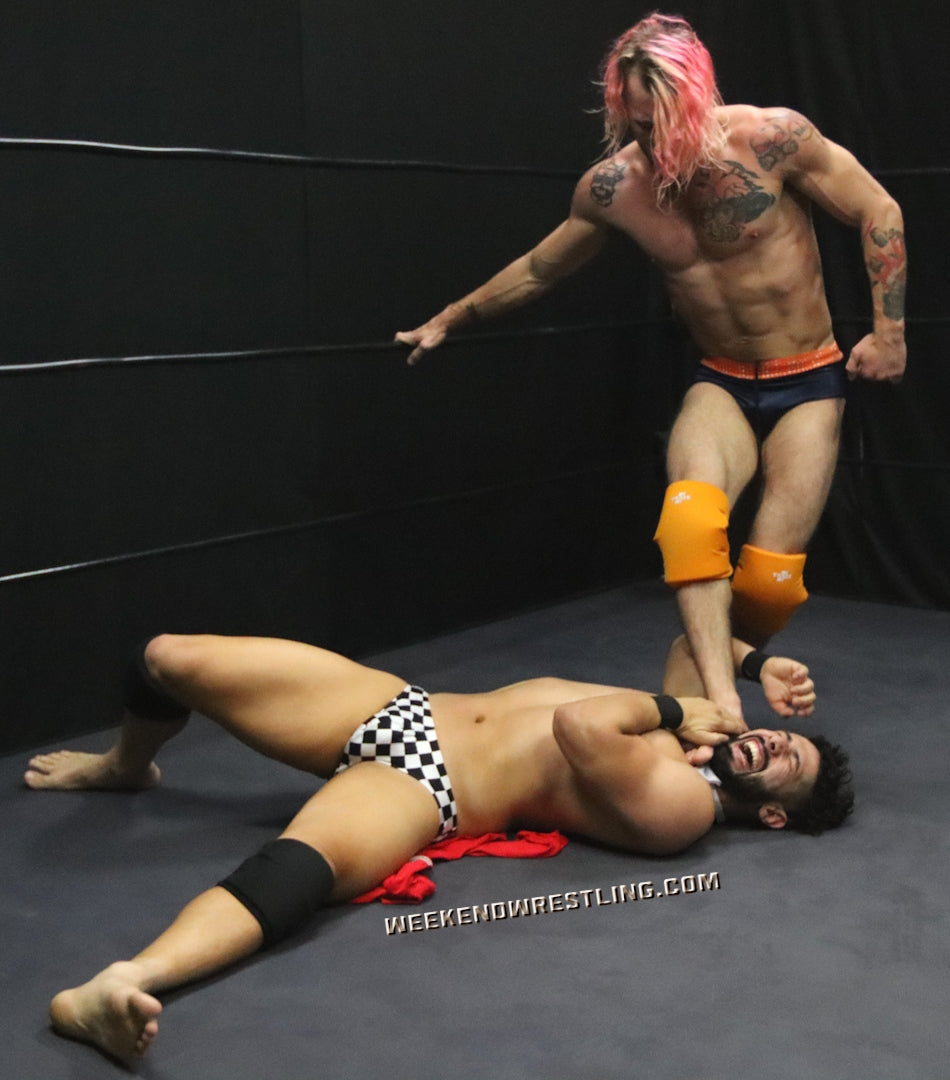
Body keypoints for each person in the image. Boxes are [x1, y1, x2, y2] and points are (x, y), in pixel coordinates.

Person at [395, 13, 907, 723]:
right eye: (638, 125)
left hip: (809, 378)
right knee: (691, 523)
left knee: (768, 587)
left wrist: (889, 332)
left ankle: (698, 684)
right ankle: (722, 706)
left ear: (699, 97)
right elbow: (540, 268)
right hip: (722, 378)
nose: (654, 139)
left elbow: (878, 207)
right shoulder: (614, 188)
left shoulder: (771, 138)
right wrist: (452, 316)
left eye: (666, 122)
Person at [25, 631, 852, 1060]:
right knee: (168, 658)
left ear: (774, 817)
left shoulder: (684, 808)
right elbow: (689, 646)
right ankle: (126, 765)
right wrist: (758, 664)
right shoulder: (705, 731)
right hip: (404, 706)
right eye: (785, 737)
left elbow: (582, 727)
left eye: (788, 766)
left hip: (430, 788)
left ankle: (122, 983)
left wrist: (676, 712)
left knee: (295, 872)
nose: (774, 744)